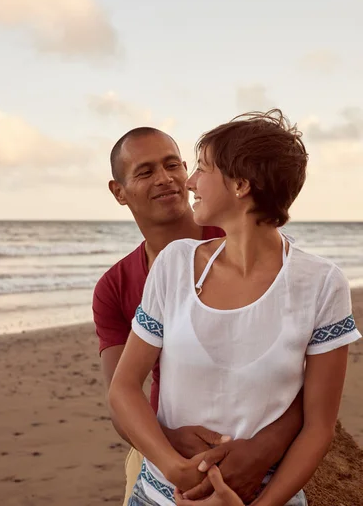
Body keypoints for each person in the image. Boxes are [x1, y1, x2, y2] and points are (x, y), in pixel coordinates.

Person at [108, 111, 361, 506]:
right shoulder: (174, 264)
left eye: (203, 168)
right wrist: (177, 472)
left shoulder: (322, 283)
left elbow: (318, 427)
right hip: (159, 496)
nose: (188, 182)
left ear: (241, 185)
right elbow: (123, 389)